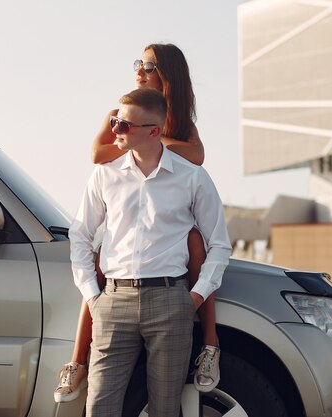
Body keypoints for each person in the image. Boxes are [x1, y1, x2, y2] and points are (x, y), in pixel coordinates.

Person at [55, 43, 222, 403]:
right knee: (100, 250)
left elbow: (197, 158)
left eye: (149, 65)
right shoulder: (119, 119)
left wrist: (190, 299)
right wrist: (95, 298)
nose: (140, 69)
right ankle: (76, 359)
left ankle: (211, 342)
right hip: (116, 295)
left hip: (172, 295)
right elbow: (99, 155)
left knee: (196, 241)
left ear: (168, 76)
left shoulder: (182, 135)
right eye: (139, 63)